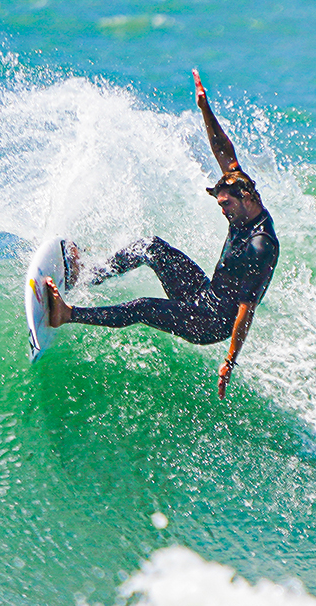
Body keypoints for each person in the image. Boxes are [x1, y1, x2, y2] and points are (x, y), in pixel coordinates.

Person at [46, 71, 278, 399]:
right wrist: (204, 109)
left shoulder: (260, 246)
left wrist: (229, 361)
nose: (223, 210)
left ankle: (66, 315)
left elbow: (245, 309)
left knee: (143, 307)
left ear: (247, 198)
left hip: (210, 323)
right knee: (151, 247)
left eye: (226, 205)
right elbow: (225, 152)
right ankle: (87, 273)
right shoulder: (243, 196)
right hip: (204, 295)